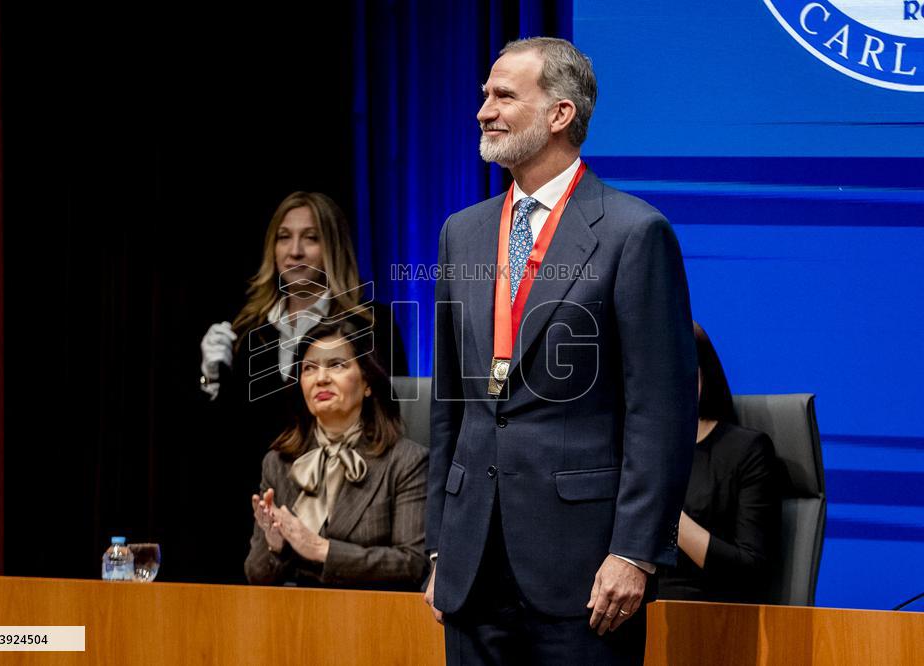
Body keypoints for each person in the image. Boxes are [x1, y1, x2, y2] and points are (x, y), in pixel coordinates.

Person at [425, 37, 697, 664]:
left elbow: (661, 412)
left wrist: (634, 553)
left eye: (503, 96)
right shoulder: (461, 232)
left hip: (584, 570)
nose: (483, 111)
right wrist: (440, 545)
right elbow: (449, 405)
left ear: (560, 113)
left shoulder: (634, 232)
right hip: (472, 563)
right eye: (485, 95)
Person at [194, 191, 407, 583]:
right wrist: (211, 378)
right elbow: (220, 441)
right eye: (283, 237)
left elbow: (390, 422)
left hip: (344, 518)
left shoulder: (368, 324)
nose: (294, 251)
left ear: (332, 247)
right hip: (252, 515)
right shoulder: (247, 329)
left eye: (310, 238)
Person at [244, 320, 429, 589]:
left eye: (336, 365)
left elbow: (412, 564)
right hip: (297, 611)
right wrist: (275, 546)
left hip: (375, 611)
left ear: (367, 382)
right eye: (309, 368)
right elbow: (256, 576)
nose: (321, 379)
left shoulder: (405, 461)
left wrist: (322, 550)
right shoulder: (279, 462)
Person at [658, 323, 780, 604]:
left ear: (702, 377)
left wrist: (664, 514)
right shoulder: (632, 449)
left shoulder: (746, 450)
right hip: (629, 609)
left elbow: (750, 569)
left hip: (705, 611)